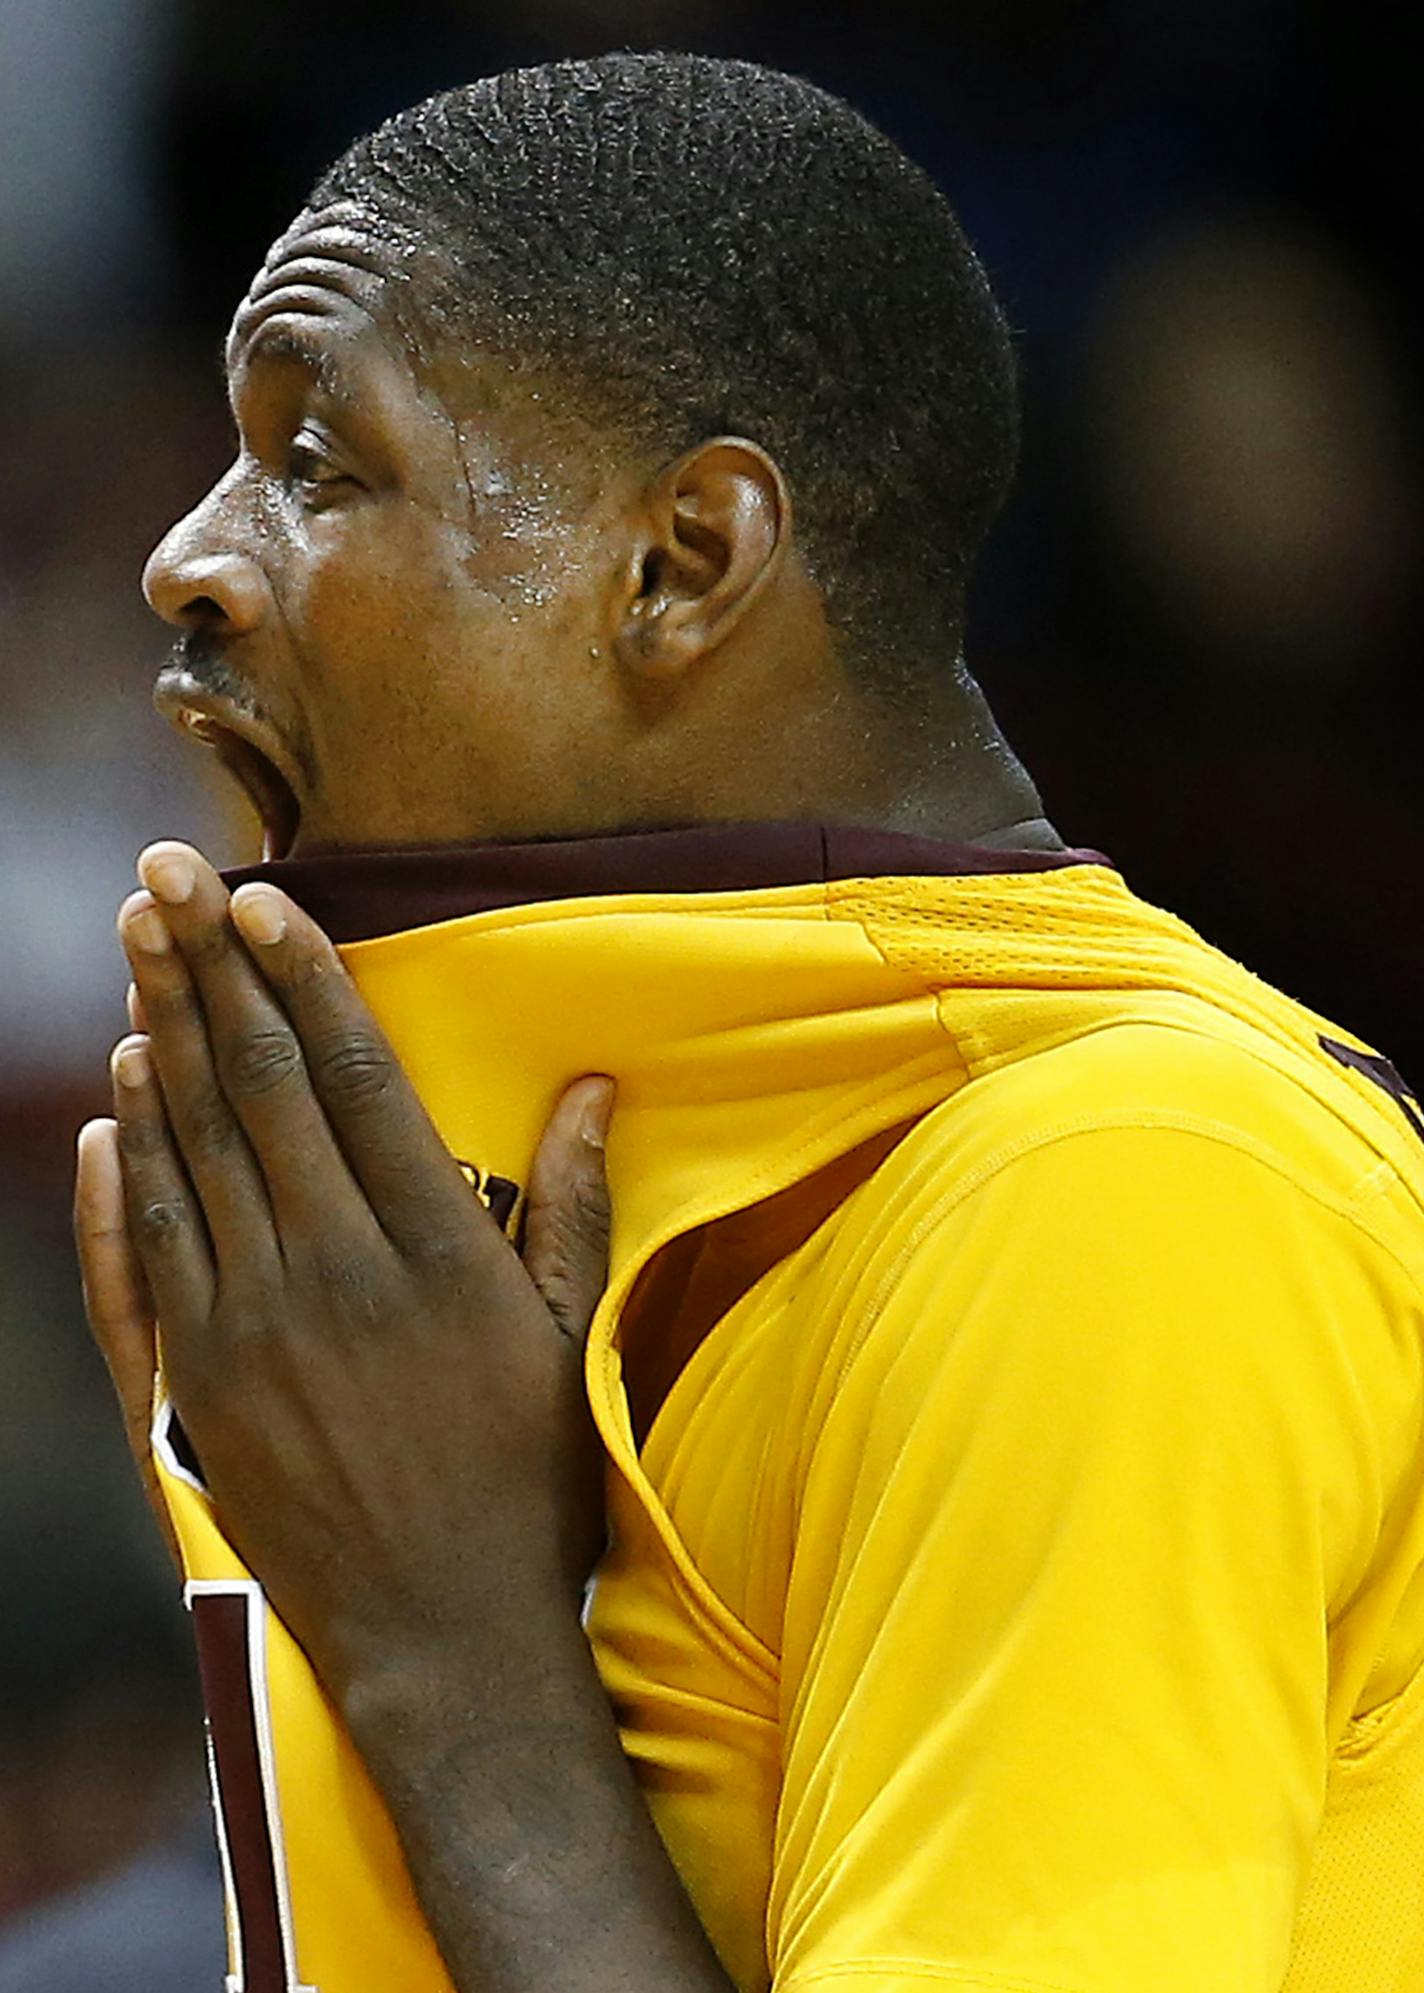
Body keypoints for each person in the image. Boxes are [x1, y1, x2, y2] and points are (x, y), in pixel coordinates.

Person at [72, 51, 1424, 1993]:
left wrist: (447, 1654)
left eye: (318, 460)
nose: (185, 556)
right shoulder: (482, 1207)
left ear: (683, 560)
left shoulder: (1123, 1183)